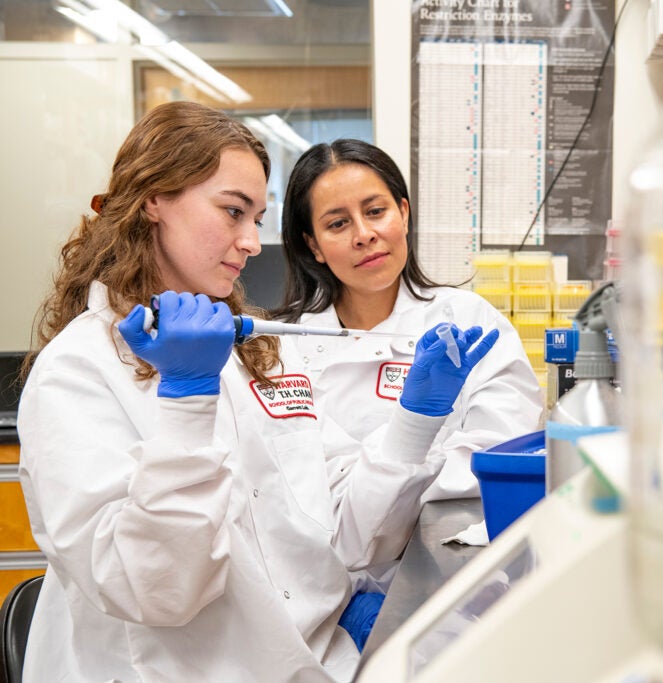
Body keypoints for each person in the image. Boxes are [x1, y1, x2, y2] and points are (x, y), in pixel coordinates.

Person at [16, 101, 496, 682]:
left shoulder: (258, 351)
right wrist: (187, 402)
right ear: (152, 201)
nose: (250, 242)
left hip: (314, 658)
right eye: (232, 212)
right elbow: (153, 589)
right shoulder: (78, 370)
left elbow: (343, 528)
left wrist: (415, 420)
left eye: (257, 218)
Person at [275, 139, 543, 505]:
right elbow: (296, 480)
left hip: (440, 546)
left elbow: (498, 451)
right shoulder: (283, 346)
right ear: (314, 246)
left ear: (403, 213)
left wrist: (383, 488)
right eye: (338, 223)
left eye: (375, 211)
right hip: (328, 557)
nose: (364, 235)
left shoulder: (468, 320)